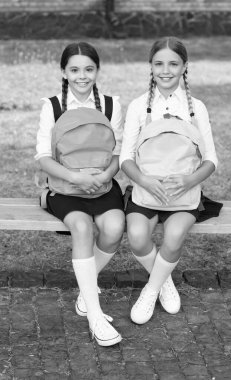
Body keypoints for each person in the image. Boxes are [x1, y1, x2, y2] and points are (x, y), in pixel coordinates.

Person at [120, 36, 222, 325]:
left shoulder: (196, 107)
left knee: (174, 236)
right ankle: (164, 280)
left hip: (184, 194)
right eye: (159, 63)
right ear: (150, 66)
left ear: (184, 66)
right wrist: (144, 180)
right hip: (146, 190)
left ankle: (151, 290)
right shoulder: (139, 106)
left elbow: (211, 159)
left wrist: (190, 181)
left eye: (173, 64)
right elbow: (125, 157)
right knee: (138, 238)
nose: (166, 70)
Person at [35, 42, 125, 346]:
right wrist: (74, 176)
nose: (82, 76)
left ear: (97, 71)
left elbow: (117, 153)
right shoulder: (52, 106)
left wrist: (103, 176)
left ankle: (85, 292)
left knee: (114, 228)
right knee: (83, 227)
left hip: (101, 184)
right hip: (65, 186)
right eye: (74, 70)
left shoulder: (111, 104)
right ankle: (96, 317)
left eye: (89, 69)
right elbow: (44, 157)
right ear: (64, 72)